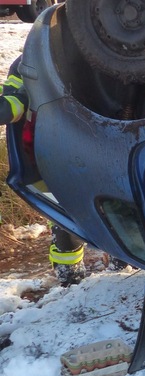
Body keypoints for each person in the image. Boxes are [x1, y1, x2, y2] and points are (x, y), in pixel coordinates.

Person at [2, 56, 87, 286]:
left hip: (100, 152)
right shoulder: (31, 60)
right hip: (52, 157)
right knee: (66, 220)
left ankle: (122, 265)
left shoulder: (113, 57)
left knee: (122, 215)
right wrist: (8, 106)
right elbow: (14, 100)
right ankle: (71, 279)